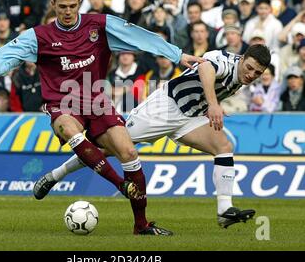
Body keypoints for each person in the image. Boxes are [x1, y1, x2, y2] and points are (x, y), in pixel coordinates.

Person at [0, 0, 202, 236]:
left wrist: (178, 55)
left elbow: (139, 37)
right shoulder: (39, 36)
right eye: (62, 7)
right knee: (70, 130)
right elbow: (6, 56)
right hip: (62, 103)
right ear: (53, 5)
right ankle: (119, 184)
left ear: (79, 3)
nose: (67, 12)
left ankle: (141, 225)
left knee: (129, 153)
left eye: (72, 6)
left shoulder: (100, 25)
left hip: (97, 101)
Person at [36, 44, 271, 230]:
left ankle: (224, 211)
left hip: (190, 117)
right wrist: (213, 105)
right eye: (249, 67)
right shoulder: (226, 61)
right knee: (109, 149)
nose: (251, 74)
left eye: (257, 73)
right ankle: (55, 175)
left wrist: (209, 105)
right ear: (241, 58)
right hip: (164, 108)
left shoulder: (242, 75)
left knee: (224, 146)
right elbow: (206, 68)